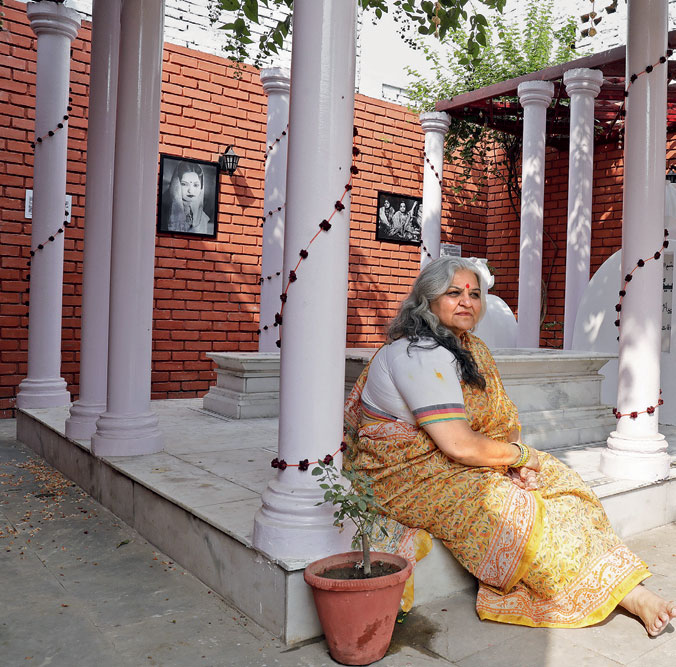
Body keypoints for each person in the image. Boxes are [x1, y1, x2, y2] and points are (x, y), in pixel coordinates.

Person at [344, 256, 676, 636]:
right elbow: (459, 445)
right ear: (427, 300)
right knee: (514, 511)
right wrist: (520, 457)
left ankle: (620, 581)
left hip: (450, 459)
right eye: (453, 293)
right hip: (404, 473)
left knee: (558, 482)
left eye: (474, 293)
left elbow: (499, 421)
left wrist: (516, 462)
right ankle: (633, 597)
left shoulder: (470, 348)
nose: (467, 301)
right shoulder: (417, 353)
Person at [163, 161, 213, 235]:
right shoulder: (166, 213)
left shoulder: (203, 218)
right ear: (177, 185)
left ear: (201, 187)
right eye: (184, 184)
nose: (190, 190)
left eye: (195, 185)